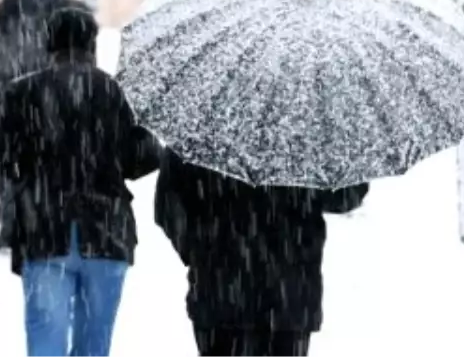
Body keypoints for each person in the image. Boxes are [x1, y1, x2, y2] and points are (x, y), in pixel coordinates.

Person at [0, 6, 159, 357]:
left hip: (44, 228)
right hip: (106, 231)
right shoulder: (117, 93)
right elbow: (146, 158)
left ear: (49, 42)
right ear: (92, 44)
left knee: (46, 335)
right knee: (95, 340)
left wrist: (29, 172)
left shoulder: (24, 92)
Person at [154, 149, 369, 357]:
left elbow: (167, 207)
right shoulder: (307, 134)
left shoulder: (201, 130)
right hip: (289, 291)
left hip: (221, 289)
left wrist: (200, 252)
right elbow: (343, 197)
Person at [0, 0, 89, 250]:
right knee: (56, 164)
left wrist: (8, 80)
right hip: (63, 102)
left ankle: (9, 225)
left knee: (10, 161)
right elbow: (88, 62)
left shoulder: (9, 7)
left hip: (13, 98)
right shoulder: (77, 12)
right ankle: (49, 222)